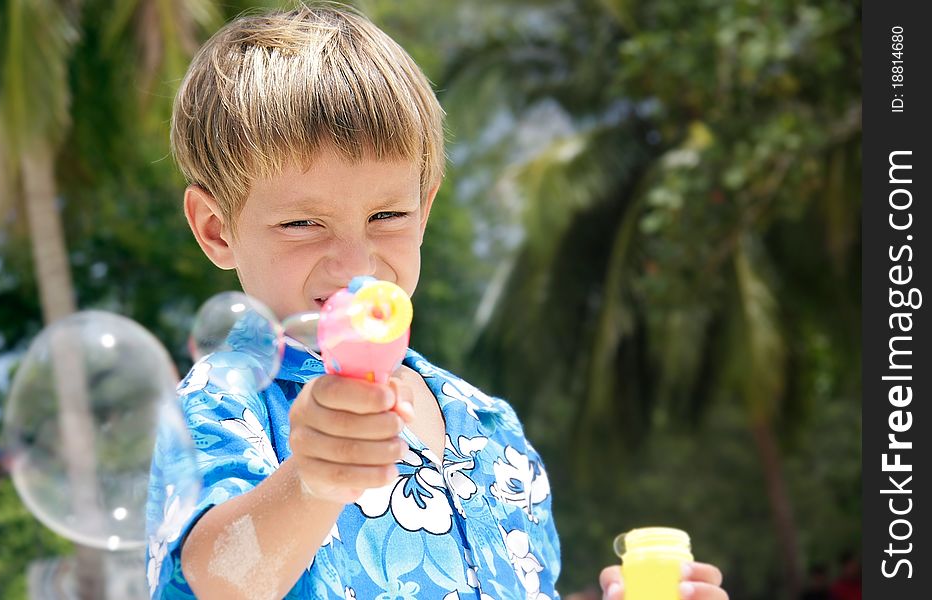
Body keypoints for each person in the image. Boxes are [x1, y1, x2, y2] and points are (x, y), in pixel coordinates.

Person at [145, 4, 728, 599]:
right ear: (218, 230)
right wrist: (313, 481)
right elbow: (215, 579)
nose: (356, 264)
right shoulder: (228, 398)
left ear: (424, 210)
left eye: (387, 216)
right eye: (302, 223)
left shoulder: (490, 426)